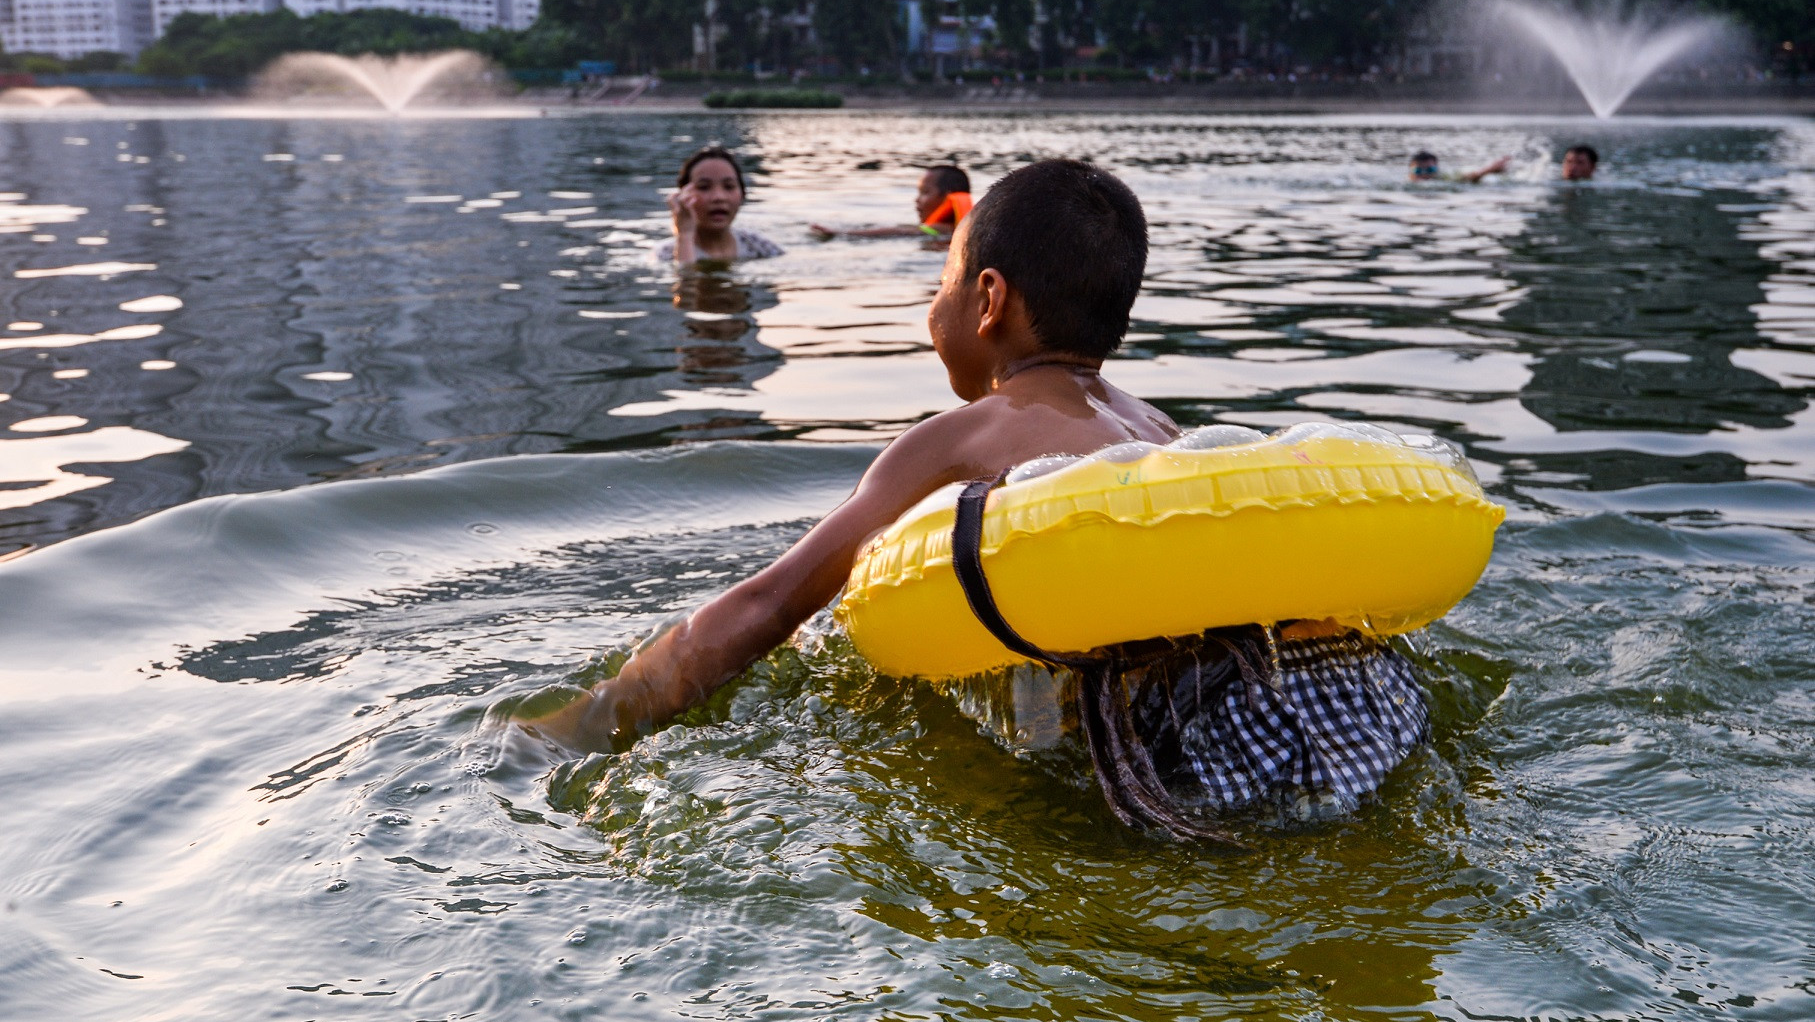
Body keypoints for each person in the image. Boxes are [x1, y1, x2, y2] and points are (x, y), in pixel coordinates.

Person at [523, 159, 1428, 837]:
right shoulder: (1155, 426)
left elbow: (768, 602)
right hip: (1320, 713)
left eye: (943, 278)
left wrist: (584, 723)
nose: (938, 299)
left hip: (1148, 764)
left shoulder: (968, 437)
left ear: (987, 299)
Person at [658, 145, 783, 265]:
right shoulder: (665, 254)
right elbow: (683, 284)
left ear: (742, 194)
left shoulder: (758, 247)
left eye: (729, 186)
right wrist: (684, 236)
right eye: (704, 187)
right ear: (684, 196)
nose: (718, 197)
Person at [808, 165, 973, 241]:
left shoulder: (940, 229)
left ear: (948, 197)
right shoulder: (968, 230)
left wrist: (842, 234)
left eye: (925, 193)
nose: (917, 200)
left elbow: (900, 231)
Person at [1409, 150, 1510, 184]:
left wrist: (1490, 169)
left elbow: (1470, 177)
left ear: (1437, 170)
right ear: (1410, 172)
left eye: (1430, 170)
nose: (1424, 174)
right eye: (1418, 171)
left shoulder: (1446, 178)